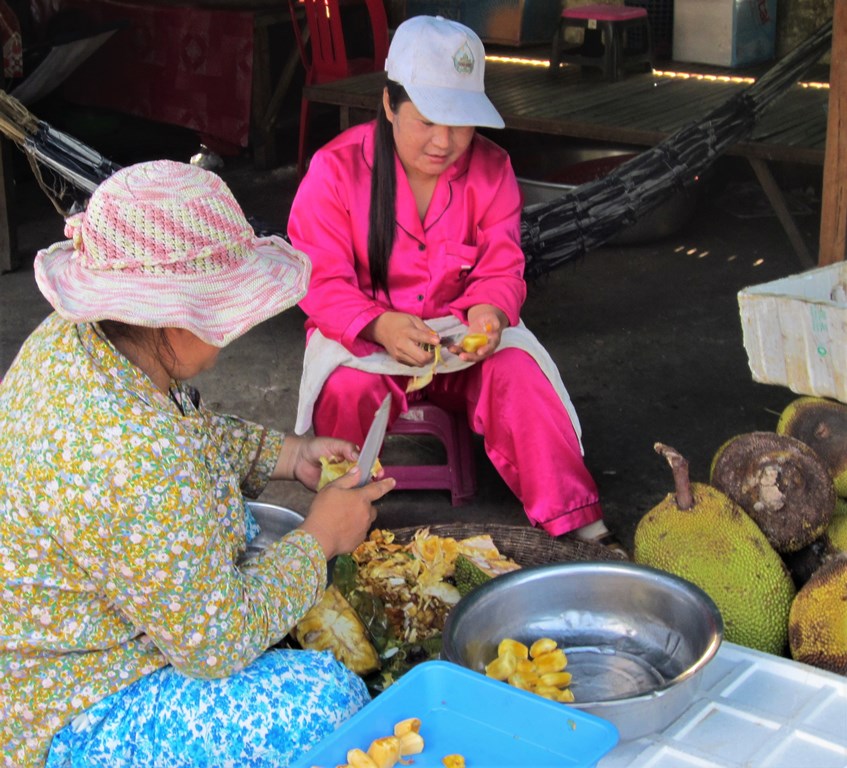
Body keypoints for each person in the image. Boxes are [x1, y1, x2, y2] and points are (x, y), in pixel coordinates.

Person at [0, 160, 395, 768]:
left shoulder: (81, 337)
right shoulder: (127, 449)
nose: (237, 329)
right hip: (69, 705)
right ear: (170, 317)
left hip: (59, 645)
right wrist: (320, 538)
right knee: (328, 700)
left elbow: (189, 430)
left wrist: (289, 456)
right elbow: (216, 645)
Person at [287, 15, 623, 554]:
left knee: (517, 372)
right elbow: (317, 279)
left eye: (461, 124)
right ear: (389, 105)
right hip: (366, 337)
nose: (445, 142)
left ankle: (580, 528)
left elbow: (501, 266)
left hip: (458, 336)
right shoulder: (335, 171)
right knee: (347, 392)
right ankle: (337, 526)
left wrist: (489, 312)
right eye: (427, 121)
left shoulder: (493, 169)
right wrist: (377, 324)